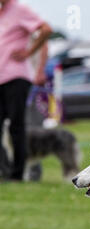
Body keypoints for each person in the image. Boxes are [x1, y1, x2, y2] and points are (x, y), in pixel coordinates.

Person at [0, 0, 52, 181]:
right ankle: (4, 171)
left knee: (18, 126)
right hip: (2, 77)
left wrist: (30, 55)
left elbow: (45, 33)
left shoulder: (20, 10)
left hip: (17, 78)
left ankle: (18, 174)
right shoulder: (3, 12)